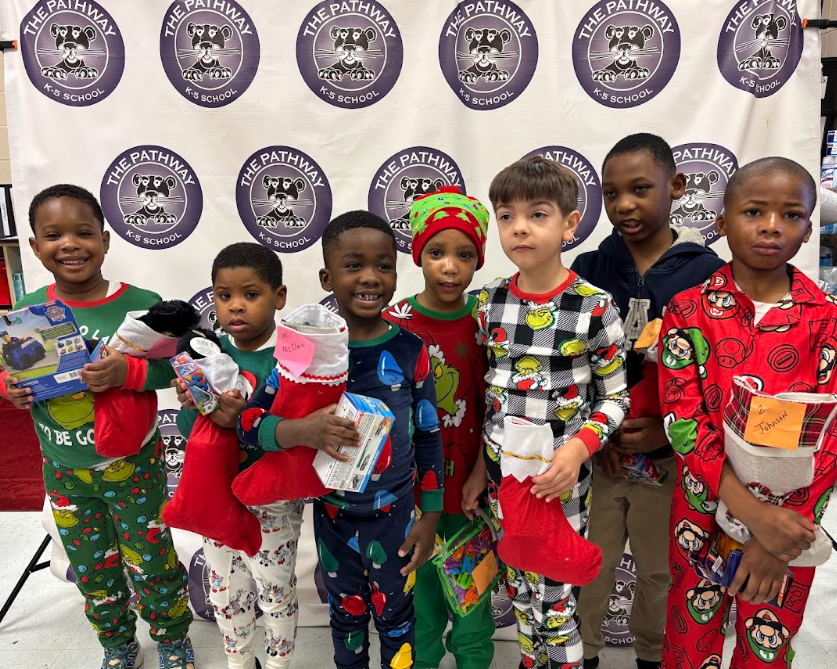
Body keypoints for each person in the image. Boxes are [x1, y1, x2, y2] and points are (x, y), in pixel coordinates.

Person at [237, 211, 444, 669]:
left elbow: (429, 436)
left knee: (398, 620)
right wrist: (300, 431)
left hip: (398, 517)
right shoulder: (303, 350)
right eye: (354, 265)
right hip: (333, 516)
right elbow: (249, 423)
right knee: (346, 619)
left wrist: (430, 517)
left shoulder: (412, 350)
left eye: (384, 265)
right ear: (327, 277)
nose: (370, 277)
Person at [0, 184, 195, 669]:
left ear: (105, 241)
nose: (69, 244)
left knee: (152, 563)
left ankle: (171, 637)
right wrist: (9, 386)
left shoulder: (141, 305)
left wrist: (125, 373)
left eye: (83, 233)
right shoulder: (30, 309)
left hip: (133, 468)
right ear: (34, 247)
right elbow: (12, 370)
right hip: (65, 470)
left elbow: (179, 368)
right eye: (53, 235)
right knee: (92, 570)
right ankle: (117, 644)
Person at [658, 157, 836, 668]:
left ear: (807, 230)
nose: (772, 226)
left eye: (791, 215)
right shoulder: (687, 312)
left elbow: (832, 439)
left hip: (791, 526)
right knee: (690, 645)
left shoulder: (827, 321)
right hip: (701, 514)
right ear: (722, 222)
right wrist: (753, 515)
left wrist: (776, 538)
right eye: (754, 211)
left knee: (767, 645)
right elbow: (683, 424)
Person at [571, 134, 725, 669]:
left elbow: (719, 376)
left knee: (660, 571)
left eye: (640, 189)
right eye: (611, 193)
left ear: (676, 187)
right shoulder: (588, 269)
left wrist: (668, 430)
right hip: (598, 454)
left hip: (671, 459)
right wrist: (596, 430)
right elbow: (572, 362)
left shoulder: (706, 274)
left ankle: (653, 657)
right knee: (590, 563)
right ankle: (582, 654)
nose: (623, 205)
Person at [477, 156, 630, 669]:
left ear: (569, 223)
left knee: (556, 598)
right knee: (519, 585)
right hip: (505, 479)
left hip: (562, 480)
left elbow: (615, 399)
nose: (519, 227)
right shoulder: (489, 304)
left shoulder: (594, 306)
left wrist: (578, 449)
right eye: (506, 215)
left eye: (537, 214)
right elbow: (489, 397)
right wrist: (482, 466)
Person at [172, 242, 300, 669]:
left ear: (278, 297)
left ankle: (278, 664)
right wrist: (195, 407)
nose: (236, 307)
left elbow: (293, 434)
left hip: (274, 499)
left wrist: (244, 419)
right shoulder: (208, 356)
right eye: (225, 296)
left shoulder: (292, 359)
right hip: (220, 496)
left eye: (251, 294)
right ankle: (239, 663)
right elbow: (194, 436)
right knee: (226, 593)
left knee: (275, 592)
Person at [383, 186, 494, 669]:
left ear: (478, 260)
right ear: (418, 254)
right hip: (411, 496)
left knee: (473, 608)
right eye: (437, 252)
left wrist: (483, 474)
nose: (450, 266)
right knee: (420, 607)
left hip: (471, 495)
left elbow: (500, 406)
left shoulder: (490, 321)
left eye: (464, 254)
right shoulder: (393, 322)